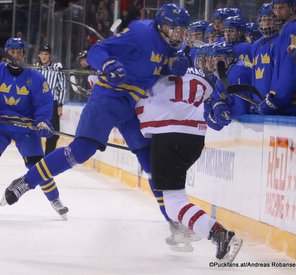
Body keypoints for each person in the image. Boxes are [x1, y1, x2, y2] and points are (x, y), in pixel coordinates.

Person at [0, 3, 194, 248]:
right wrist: (107, 64)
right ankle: (26, 182)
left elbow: (151, 69)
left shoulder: (170, 47)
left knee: (152, 161)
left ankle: (174, 225)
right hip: (108, 98)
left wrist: (170, 68)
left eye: (182, 30)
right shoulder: (141, 34)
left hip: (132, 105)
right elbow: (96, 51)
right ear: (162, 26)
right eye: (174, 29)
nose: (179, 35)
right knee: (81, 151)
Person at [135, 66, 243, 263]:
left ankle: (219, 233)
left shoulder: (148, 70)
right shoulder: (196, 73)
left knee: (174, 203)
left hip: (168, 133)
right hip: (195, 137)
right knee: (175, 198)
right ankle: (191, 229)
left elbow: (135, 104)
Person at [0, 38, 68, 219]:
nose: (16, 55)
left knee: (37, 166)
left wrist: (42, 121)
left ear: (24, 54)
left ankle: (55, 199)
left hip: (27, 129)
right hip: (1, 126)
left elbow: (44, 103)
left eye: (19, 52)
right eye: (12, 52)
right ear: (7, 53)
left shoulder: (35, 77)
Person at [256, 0, 296, 116]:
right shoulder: (286, 29)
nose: (277, 12)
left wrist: (275, 100)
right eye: (275, 8)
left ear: (293, 8)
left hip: (290, 105)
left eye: (281, 8)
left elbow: (290, 71)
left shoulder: (293, 29)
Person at [36, 44, 66, 155]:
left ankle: (47, 158)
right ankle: (35, 156)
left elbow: (62, 87)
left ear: (50, 55)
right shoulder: (35, 68)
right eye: (42, 54)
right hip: (37, 103)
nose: (44, 56)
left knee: (54, 133)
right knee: (34, 130)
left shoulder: (57, 68)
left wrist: (60, 105)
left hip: (52, 103)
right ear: (39, 55)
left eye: (46, 54)